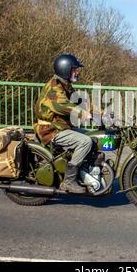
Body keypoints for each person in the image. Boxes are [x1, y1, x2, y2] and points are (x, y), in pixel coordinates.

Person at [35, 54, 93, 194]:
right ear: (65, 69)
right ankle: (69, 182)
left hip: (61, 128)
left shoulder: (66, 85)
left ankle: (84, 172)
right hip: (50, 130)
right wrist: (82, 113)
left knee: (93, 137)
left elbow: (81, 102)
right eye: (74, 69)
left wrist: (102, 113)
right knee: (85, 142)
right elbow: (63, 105)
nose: (77, 72)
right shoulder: (54, 88)